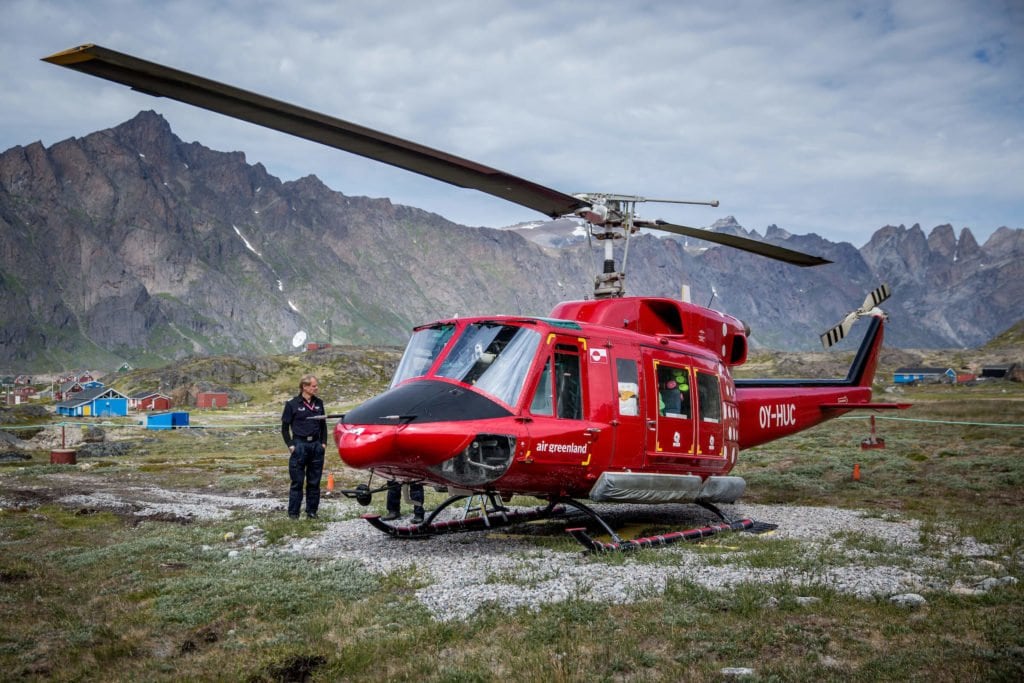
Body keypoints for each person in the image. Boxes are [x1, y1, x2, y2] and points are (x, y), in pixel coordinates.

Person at [281, 374, 326, 519]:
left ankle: (311, 512)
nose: (316, 388)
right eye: (314, 386)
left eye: (316, 385)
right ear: (304, 387)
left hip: (316, 445)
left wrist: (323, 443)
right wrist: (291, 445)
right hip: (299, 445)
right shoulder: (292, 404)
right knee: (297, 482)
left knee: (314, 481)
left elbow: (323, 425)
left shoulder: (319, 403)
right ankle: (293, 514)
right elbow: (284, 427)